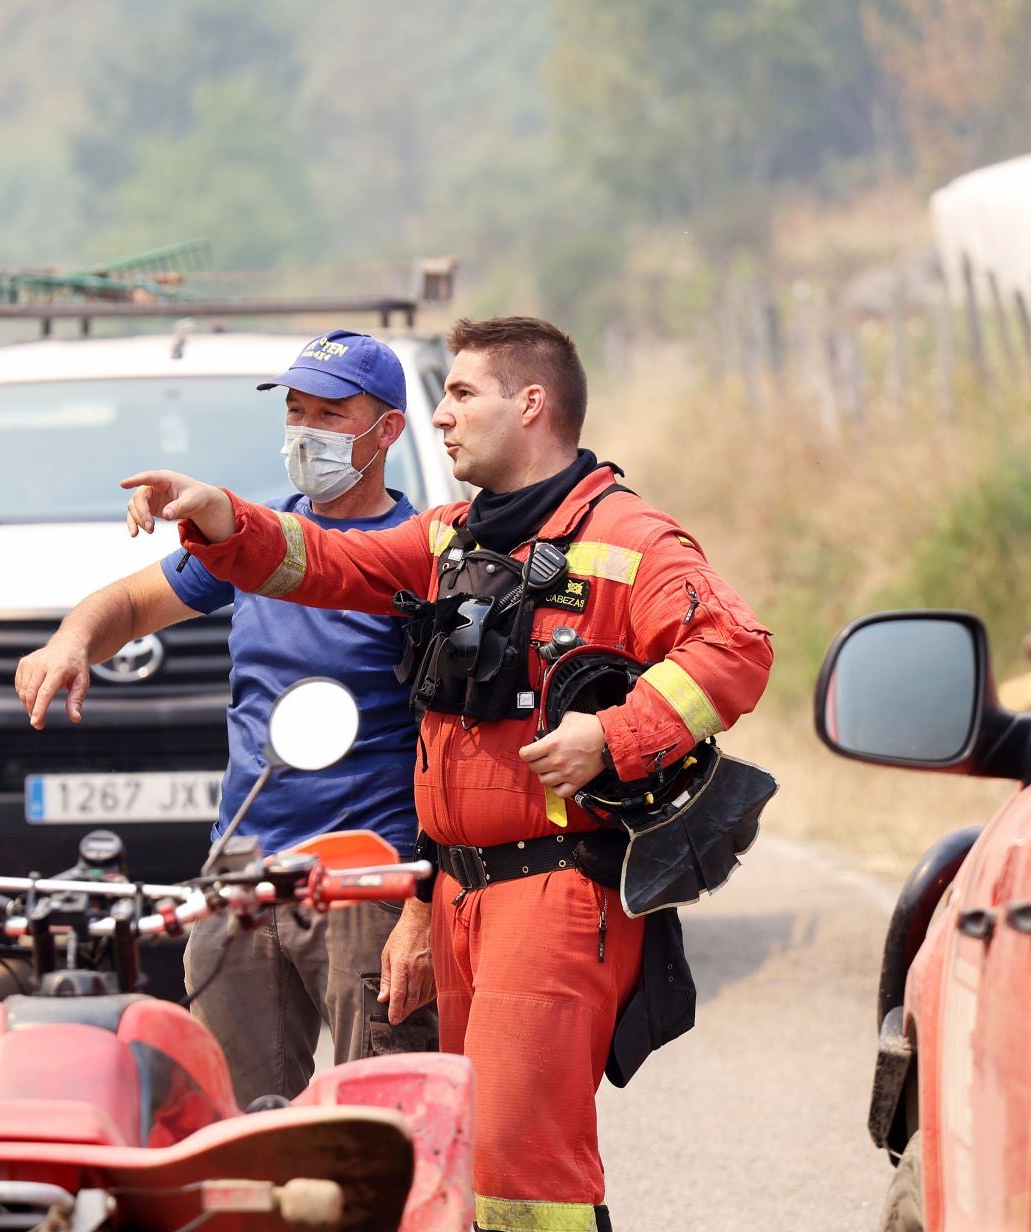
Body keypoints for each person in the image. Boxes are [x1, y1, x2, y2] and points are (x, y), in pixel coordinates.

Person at [121, 316, 773, 1231]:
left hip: (554, 892)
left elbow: (734, 648)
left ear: (531, 403)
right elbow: (319, 559)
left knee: (520, 1176)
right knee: (450, 1160)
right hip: (464, 897)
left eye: (462, 393)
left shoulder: (631, 540)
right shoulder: (451, 542)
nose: (438, 417)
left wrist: (614, 737)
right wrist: (221, 515)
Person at [14, 329, 438, 1107]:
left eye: (332, 413)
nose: (306, 429)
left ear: (388, 433)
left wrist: (423, 904)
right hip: (239, 871)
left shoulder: (420, 557)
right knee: (229, 1129)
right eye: (296, 410)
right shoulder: (256, 544)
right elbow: (134, 602)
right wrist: (72, 641)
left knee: (378, 1128)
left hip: (365, 876)